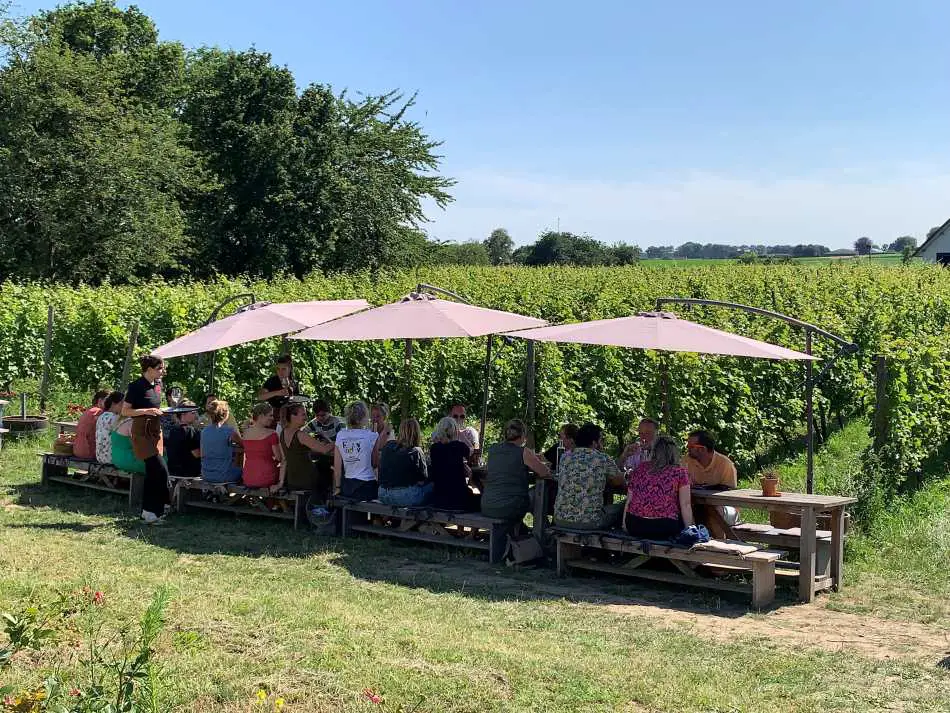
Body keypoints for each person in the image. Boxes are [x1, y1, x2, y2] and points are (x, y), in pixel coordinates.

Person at [122, 355, 169, 523]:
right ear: (149, 369)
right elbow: (125, 411)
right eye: (160, 368)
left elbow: (155, 405)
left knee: (152, 472)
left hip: (155, 430)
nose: (163, 371)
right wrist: (146, 411)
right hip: (141, 431)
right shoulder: (135, 386)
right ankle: (156, 509)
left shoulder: (158, 385)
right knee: (160, 469)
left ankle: (150, 512)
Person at [553, 422, 626, 530]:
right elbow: (620, 481)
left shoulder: (565, 456)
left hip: (560, 519)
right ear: (594, 442)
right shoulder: (602, 458)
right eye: (601, 440)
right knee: (624, 506)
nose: (603, 444)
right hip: (590, 522)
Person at [481, 419, 551, 526]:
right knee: (537, 496)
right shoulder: (524, 452)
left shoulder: (493, 449)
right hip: (510, 508)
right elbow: (544, 472)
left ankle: (520, 532)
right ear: (523, 435)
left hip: (487, 506)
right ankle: (540, 533)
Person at [623, 434, 695, 539]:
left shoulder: (640, 469)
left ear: (654, 451)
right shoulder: (679, 473)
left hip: (634, 524)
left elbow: (629, 500)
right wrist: (691, 531)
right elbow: (686, 505)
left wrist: (625, 525)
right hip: (664, 527)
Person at [686, 430, 739, 538]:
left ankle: (719, 546)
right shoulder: (686, 461)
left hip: (724, 508)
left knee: (715, 511)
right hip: (696, 504)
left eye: (691, 446)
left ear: (702, 449)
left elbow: (732, 495)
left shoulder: (725, 464)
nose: (687, 448)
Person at [280, 403, 334, 494]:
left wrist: (280, 482)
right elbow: (324, 449)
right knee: (327, 467)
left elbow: (286, 458)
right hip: (307, 480)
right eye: (303, 414)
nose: (306, 417)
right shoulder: (300, 435)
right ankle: (324, 503)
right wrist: (338, 442)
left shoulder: (283, 433)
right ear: (293, 416)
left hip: (292, 481)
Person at [333, 401, 382, 501]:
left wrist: (338, 487)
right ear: (364, 416)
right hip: (367, 487)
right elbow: (375, 463)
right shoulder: (372, 435)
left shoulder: (340, 435)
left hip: (348, 486)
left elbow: (337, 466)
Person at [429, 416, 480, 511]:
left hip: (439, 500)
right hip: (458, 500)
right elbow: (471, 450)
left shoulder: (434, 448)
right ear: (455, 430)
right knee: (481, 500)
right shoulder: (459, 446)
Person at [378, 418, 431, 506]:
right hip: (404, 497)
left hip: (383, 494)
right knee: (432, 487)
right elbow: (423, 480)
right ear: (417, 433)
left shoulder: (388, 446)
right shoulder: (416, 451)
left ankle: (388, 518)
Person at [200, 399, 242, 484]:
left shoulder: (204, 431)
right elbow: (244, 445)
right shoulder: (229, 431)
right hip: (224, 475)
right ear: (226, 414)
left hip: (206, 474)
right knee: (242, 469)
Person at [242, 403, 282, 490]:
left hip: (248, 477)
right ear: (260, 416)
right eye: (270, 415)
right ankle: (277, 503)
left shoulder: (245, 433)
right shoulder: (272, 434)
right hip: (265, 477)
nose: (272, 418)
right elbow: (279, 458)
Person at [165, 400, 201, 479]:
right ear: (183, 414)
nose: (196, 416)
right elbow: (197, 454)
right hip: (188, 473)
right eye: (193, 413)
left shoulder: (172, 430)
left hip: (172, 471)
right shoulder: (191, 431)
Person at [72, 389, 109, 460]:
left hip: (77, 450)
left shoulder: (89, 410)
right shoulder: (98, 412)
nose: (110, 404)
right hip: (89, 452)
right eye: (108, 401)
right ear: (100, 401)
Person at [95, 391, 124, 464]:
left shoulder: (101, 416)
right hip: (110, 458)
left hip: (99, 457)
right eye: (121, 403)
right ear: (114, 404)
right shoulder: (114, 418)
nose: (124, 406)